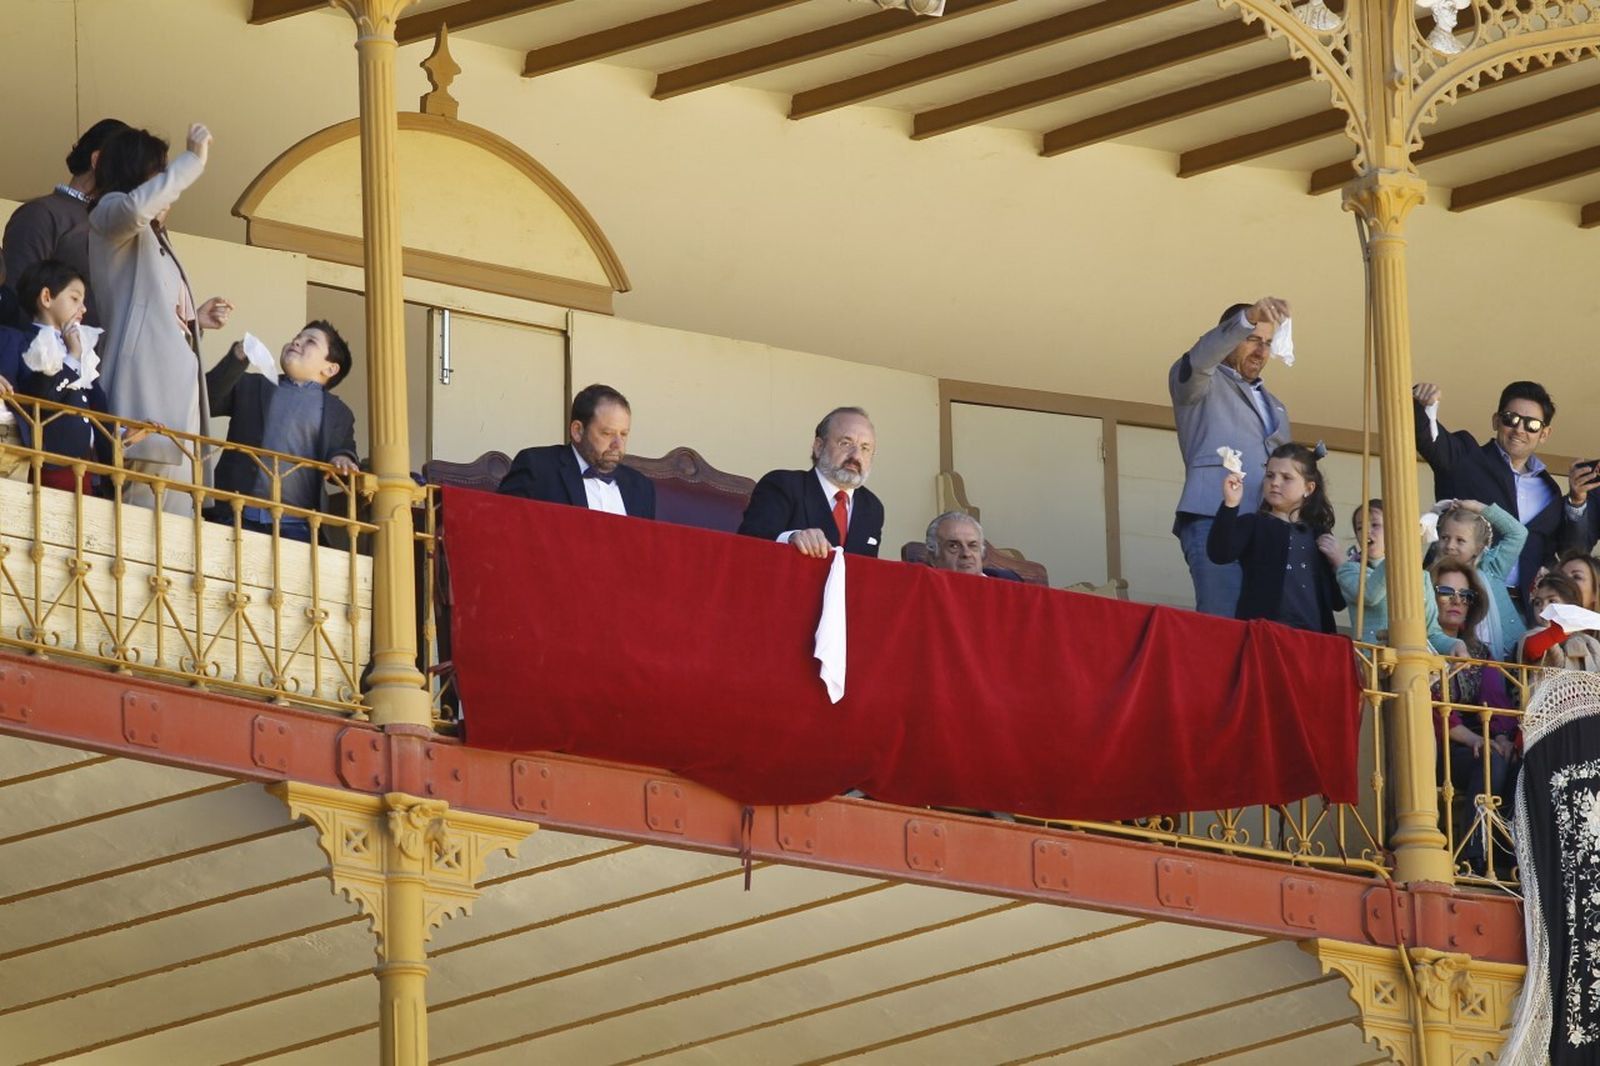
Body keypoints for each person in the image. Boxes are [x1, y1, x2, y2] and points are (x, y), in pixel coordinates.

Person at [90, 123, 233, 514]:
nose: (166, 180)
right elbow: (136, 208)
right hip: (144, 394)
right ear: (138, 170)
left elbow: (152, 310)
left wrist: (193, 321)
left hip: (176, 398)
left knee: (178, 523)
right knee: (139, 518)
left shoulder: (154, 236)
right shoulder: (109, 214)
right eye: (160, 170)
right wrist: (192, 162)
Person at [1169, 297, 1293, 617]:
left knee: (1261, 626)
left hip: (1264, 528)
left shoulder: (1276, 406)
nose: (1261, 351)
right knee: (1222, 621)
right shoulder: (1200, 380)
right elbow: (1200, 359)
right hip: (1212, 515)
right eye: (1252, 338)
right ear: (1230, 336)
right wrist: (1247, 318)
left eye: (1268, 343)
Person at [1412, 380, 1580, 608]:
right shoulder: (1466, 458)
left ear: (1544, 433)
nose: (1519, 429)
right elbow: (1429, 439)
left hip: (1521, 609)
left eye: (1532, 424)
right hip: (1457, 599)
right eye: (1511, 419)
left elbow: (1549, 551)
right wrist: (1423, 405)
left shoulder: (1550, 490)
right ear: (1496, 421)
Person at [205, 322, 358, 543]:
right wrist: (236, 358)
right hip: (235, 514)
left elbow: (342, 450)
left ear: (330, 369)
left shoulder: (339, 412)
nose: (297, 342)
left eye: (310, 341)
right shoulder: (251, 385)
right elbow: (205, 401)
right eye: (297, 337)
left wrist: (343, 458)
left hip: (298, 526)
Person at [1429, 557, 1518, 874]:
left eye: (1465, 595)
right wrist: (1475, 740)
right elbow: (1429, 709)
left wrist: (1502, 737)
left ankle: (1511, 858)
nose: (1457, 601)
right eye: (1446, 592)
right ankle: (1474, 856)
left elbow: (1496, 699)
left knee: (1513, 760)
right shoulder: (1422, 647)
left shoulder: (1479, 652)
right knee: (1491, 760)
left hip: (1479, 741)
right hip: (1438, 747)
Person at [2, 118, 128, 328]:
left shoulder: (114, 225)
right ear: (98, 160)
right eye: (128, 167)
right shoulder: (41, 214)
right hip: (50, 348)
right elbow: (17, 301)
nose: (134, 180)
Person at [1207, 442, 1344, 633]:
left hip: (1313, 638)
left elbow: (1338, 601)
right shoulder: (1254, 524)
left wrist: (1340, 564)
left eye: (1287, 478)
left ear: (1309, 488)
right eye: (1270, 475)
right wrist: (1231, 504)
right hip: (1264, 634)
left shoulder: (1319, 534)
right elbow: (1219, 553)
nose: (1275, 483)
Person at [739, 406, 884, 558]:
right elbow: (749, 543)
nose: (856, 456)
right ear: (819, 447)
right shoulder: (782, 485)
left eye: (865, 448)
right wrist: (791, 538)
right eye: (846, 443)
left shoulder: (872, 507)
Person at [498, 383, 655, 518]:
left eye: (624, 434)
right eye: (607, 433)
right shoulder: (537, 468)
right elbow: (504, 529)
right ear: (577, 431)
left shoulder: (641, 487)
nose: (618, 444)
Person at [1337, 500, 1458, 653]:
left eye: (1375, 525)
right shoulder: (1349, 571)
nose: (1367, 531)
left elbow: (1432, 634)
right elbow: (1370, 595)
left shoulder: (1421, 577)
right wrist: (1399, 548)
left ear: (1394, 530)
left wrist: (1455, 645)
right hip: (1371, 663)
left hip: (1413, 661)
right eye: (1360, 527)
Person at [1431, 499, 1527, 661]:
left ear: (1478, 548)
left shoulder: (1492, 568)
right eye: (1445, 537)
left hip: (1508, 659)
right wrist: (1432, 516)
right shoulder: (1432, 576)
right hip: (1459, 658)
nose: (1450, 546)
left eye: (1460, 540)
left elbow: (1518, 533)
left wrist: (1478, 507)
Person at [923, 511, 1021, 580]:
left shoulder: (1009, 581)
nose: (966, 554)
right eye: (953, 546)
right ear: (933, 558)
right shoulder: (923, 591)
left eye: (972, 545)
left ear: (981, 553)